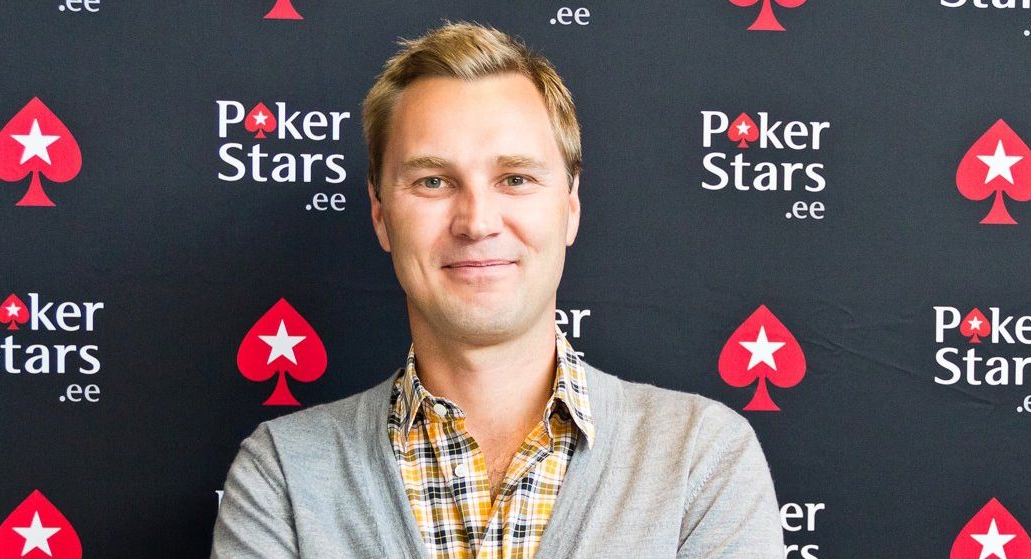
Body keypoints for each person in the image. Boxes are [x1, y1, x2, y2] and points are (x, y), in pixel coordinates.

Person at [211, 22, 784, 558]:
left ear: (570, 207)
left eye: (515, 178)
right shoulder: (282, 476)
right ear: (380, 214)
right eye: (433, 181)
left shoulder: (701, 461)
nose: (477, 222)